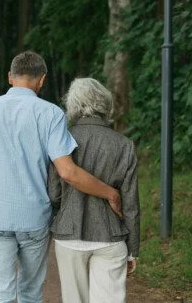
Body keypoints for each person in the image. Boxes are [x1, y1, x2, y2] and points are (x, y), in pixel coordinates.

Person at [0, 51, 122, 303]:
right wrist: (110, 193)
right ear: (42, 80)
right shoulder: (51, 114)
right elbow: (68, 172)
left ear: (10, 77)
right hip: (33, 220)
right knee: (30, 292)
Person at [49, 77, 140, 303]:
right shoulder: (124, 144)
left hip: (69, 235)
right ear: (105, 105)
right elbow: (130, 203)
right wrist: (133, 250)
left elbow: (54, 194)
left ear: (73, 104)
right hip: (111, 237)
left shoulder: (61, 138)